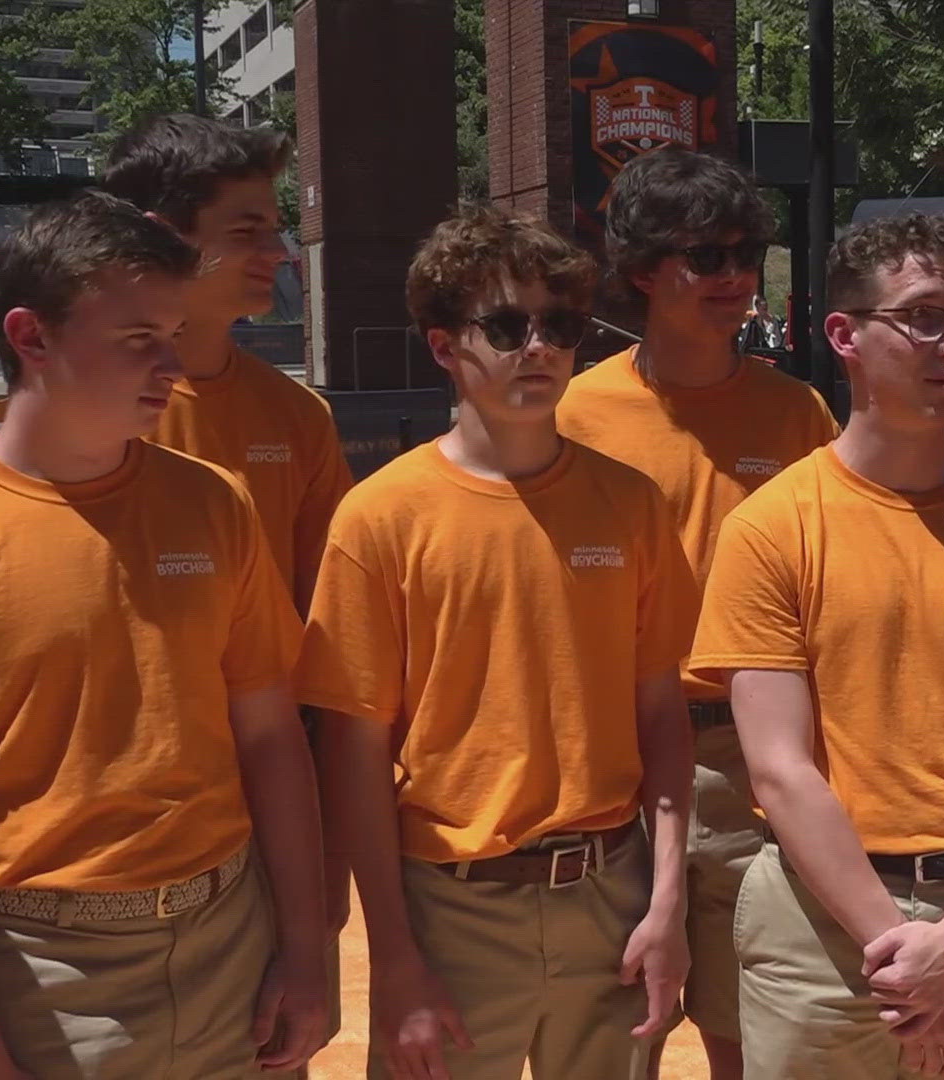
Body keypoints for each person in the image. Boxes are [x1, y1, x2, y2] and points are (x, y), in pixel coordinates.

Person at [0, 191, 329, 1077]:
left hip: (232, 936)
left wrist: (307, 950)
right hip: (36, 965)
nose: (173, 366)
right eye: (139, 338)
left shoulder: (212, 499)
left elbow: (270, 736)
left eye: (174, 335)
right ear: (30, 337)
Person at [298, 204, 697, 1080]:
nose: (539, 348)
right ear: (445, 346)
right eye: (508, 325)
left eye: (560, 325)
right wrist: (394, 960)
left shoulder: (631, 505)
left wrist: (667, 901)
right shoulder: (379, 519)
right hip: (451, 905)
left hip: (612, 893)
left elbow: (661, 712)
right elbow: (355, 753)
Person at [689, 212, 944, 1078]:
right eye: (923, 317)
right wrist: (902, 952)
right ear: (845, 336)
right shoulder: (771, 528)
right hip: (820, 937)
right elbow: (781, 769)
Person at [556, 148, 837, 1080]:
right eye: (705, 256)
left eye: (746, 252)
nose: (734, 276)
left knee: (748, 1032)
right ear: (641, 269)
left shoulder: (796, 414)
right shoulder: (574, 411)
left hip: (742, 758)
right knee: (612, 1034)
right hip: (605, 761)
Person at [103, 113, 354, 610]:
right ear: (161, 238)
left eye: (275, 231)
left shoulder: (299, 415)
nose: (278, 253)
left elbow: (328, 609)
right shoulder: (86, 411)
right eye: (246, 232)